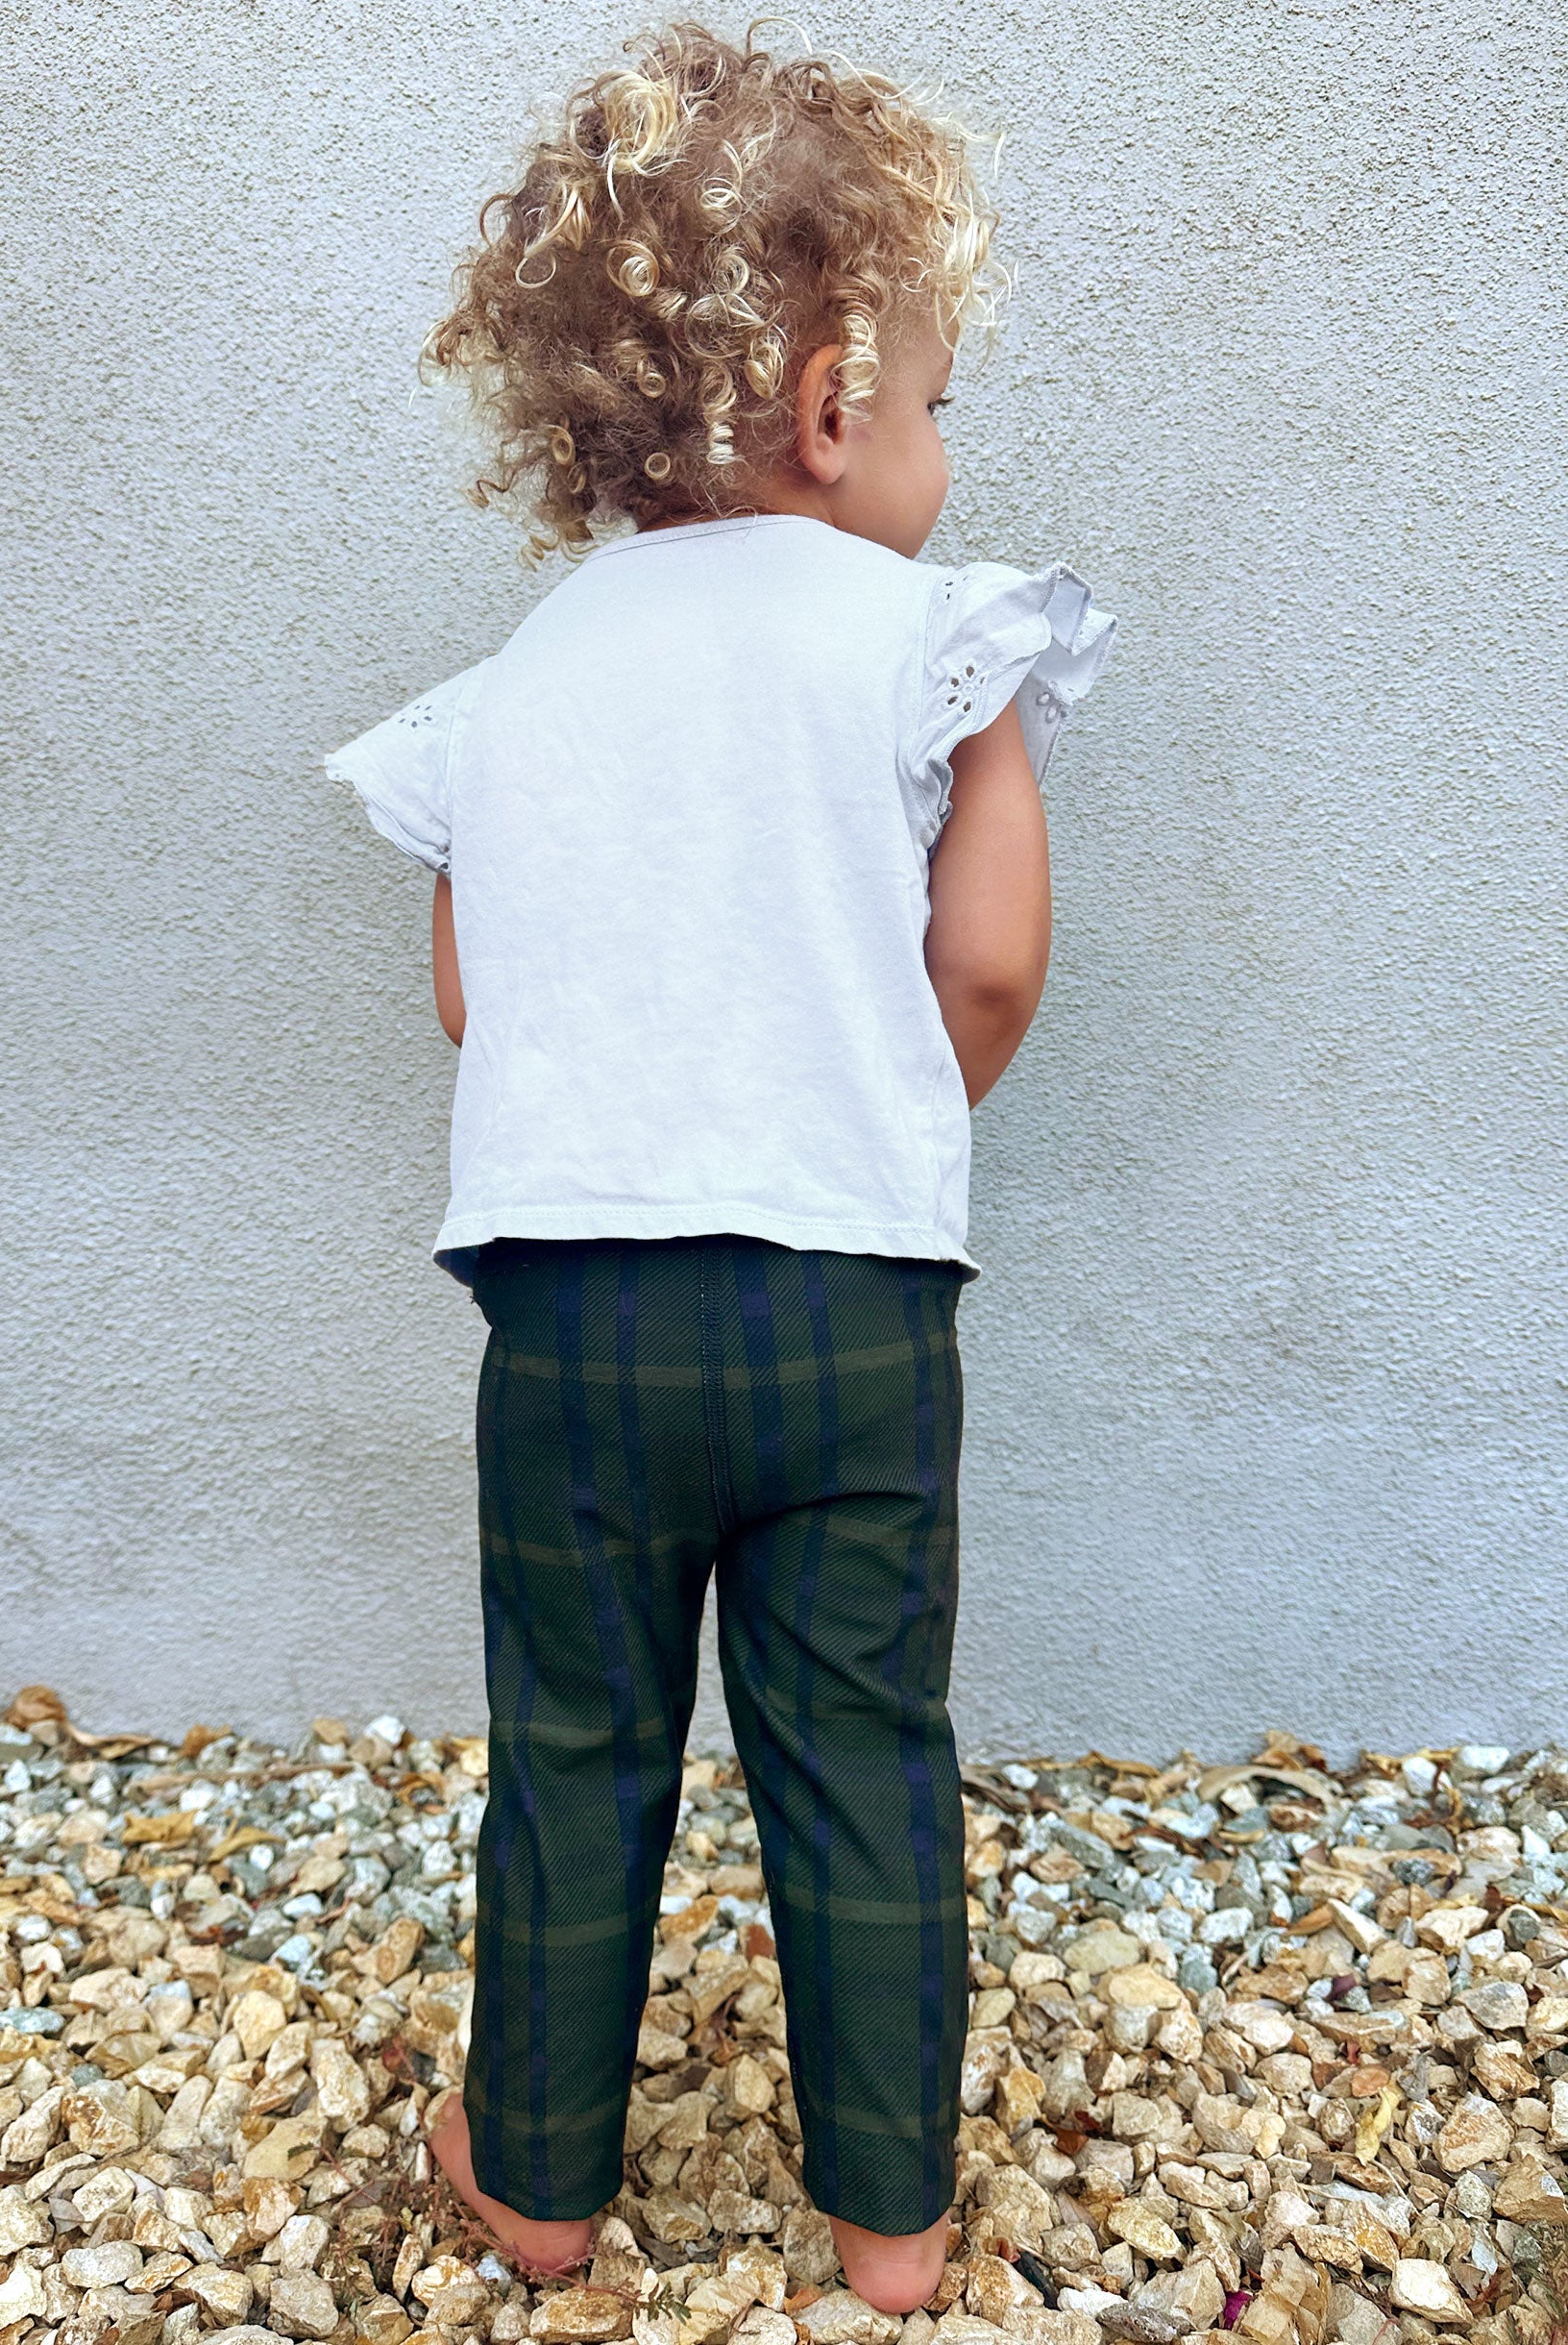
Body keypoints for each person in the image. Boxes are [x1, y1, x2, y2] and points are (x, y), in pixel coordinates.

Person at [325, 21, 1115, 2313]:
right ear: (833, 393)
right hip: (854, 1303)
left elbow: (482, 998)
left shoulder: (514, 679)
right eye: (942, 397)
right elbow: (985, 965)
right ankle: (892, 2225)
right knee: (859, 1741)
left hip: (568, 1317)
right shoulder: (925, 642)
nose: (948, 450)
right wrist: (884, 1096)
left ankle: (540, 2189)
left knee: (575, 1745)